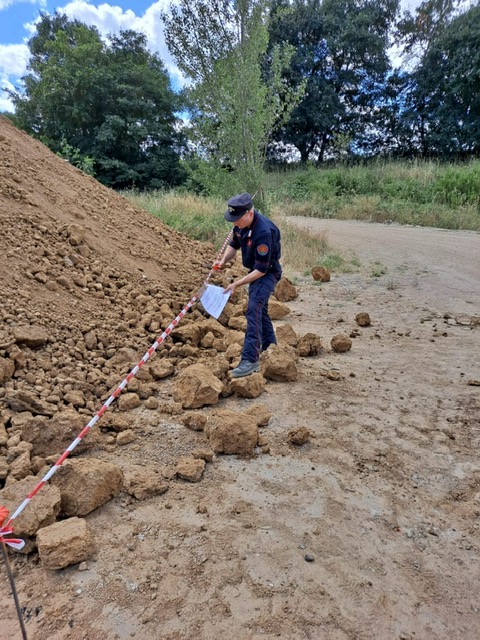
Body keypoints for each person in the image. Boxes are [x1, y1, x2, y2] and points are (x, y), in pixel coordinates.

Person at [214, 192, 282, 378]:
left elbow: (261, 271)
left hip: (267, 273)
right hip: (255, 270)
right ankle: (270, 346)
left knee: (253, 309)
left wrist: (237, 283)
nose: (234, 223)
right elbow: (234, 245)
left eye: (237, 219)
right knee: (260, 309)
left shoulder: (263, 232)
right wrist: (222, 261)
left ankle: (250, 360)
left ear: (249, 213)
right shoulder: (240, 225)